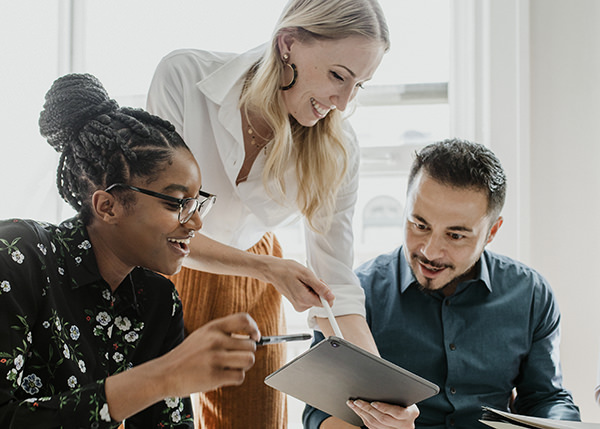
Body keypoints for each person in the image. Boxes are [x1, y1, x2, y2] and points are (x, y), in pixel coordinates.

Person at [146, 0, 390, 426]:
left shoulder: (338, 148)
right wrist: (268, 268)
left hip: (251, 284)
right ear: (288, 44)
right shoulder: (185, 78)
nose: (344, 102)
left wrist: (380, 389)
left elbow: (336, 287)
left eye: (359, 86)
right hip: (156, 272)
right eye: (338, 76)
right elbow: (159, 225)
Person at [0, 73, 262, 428]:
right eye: (176, 203)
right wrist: (163, 376)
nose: (196, 223)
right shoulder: (16, 257)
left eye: (197, 203)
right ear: (108, 206)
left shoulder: (157, 300)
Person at [303, 139, 581, 428]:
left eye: (455, 236)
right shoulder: (356, 295)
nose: (430, 251)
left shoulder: (530, 294)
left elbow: (545, 398)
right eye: (420, 225)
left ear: (492, 231)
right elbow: (318, 414)